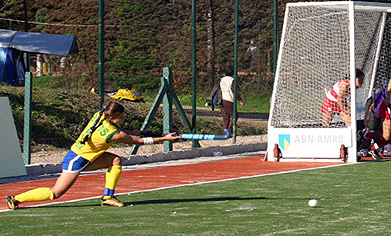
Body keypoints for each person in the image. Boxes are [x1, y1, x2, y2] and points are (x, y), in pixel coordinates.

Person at [5, 102, 181, 210]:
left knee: (115, 160)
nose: (125, 117)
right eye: (123, 116)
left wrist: (135, 131)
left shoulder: (100, 115)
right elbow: (136, 141)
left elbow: (121, 132)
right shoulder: (115, 133)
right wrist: (164, 138)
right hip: (77, 159)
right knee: (56, 192)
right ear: (115, 117)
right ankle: (16, 199)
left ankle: (108, 197)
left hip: (83, 155)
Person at [220, 68, 245, 136]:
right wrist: (240, 100)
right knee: (234, 116)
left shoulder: (221, 79)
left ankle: (225, 132)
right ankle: (229, 130)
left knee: (225, 117)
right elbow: (234, 90)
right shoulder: (231, 80)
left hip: (222, 99)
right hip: (229, 99)